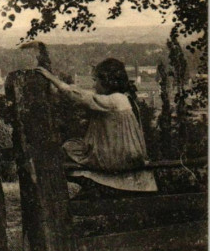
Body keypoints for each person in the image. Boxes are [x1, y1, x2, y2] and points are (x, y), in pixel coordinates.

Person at [36, 59, 157, 194]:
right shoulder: (126, 99)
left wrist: (54, 80)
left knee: (68, 148)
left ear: (106, 81)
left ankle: (90, 189)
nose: (94, 85)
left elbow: (80, 96)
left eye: (96, 80)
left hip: (117, 156)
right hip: (132, 154)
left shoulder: (115, 100)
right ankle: (92, 188)